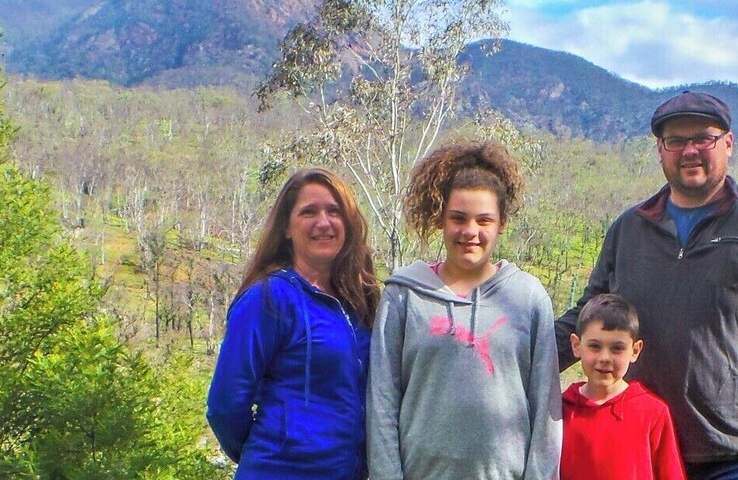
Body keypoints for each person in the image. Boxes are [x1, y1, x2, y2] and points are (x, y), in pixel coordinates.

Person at [554, 91, 738, 480]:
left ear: (729, 144)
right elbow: (587, 317)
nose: (689, 151)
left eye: (703, 138)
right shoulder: (630, 230)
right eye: (676, 141)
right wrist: (510, 363)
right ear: (660, 150)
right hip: (647, 450)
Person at [368, 141, 561, 480]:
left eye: (483, 220)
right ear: (441, 220)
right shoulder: (404, 295)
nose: (470, 231)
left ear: (501, 224)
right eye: (458, 218)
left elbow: (546, 408)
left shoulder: (528, 298)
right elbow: (381, 401)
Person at [207, 168, 379, 479]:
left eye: (334, 211)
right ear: (286, 227)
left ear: (348, 223)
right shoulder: (268, 298)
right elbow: (225, 405)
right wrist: (275, 452)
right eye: (308, 212)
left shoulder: (359, 302)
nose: (323, 223)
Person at [561, 293, 684, 480]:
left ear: (635, 351)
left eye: (617, 348)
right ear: (576, 346)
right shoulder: (558, 411)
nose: (605, 358)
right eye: (595, 346)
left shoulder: (652, 413)